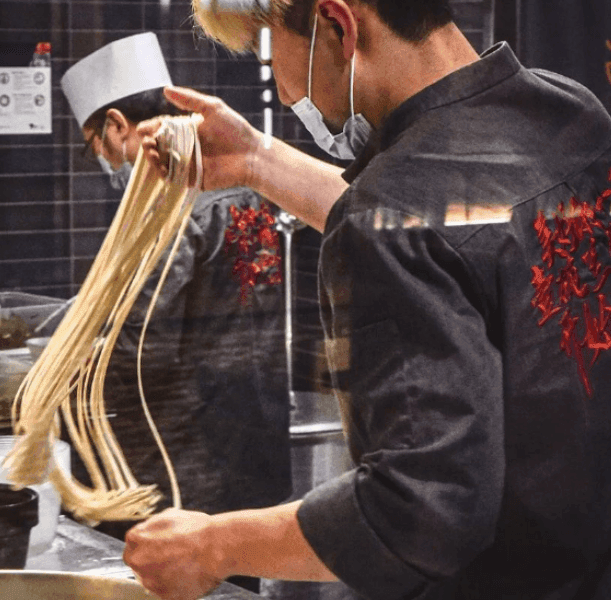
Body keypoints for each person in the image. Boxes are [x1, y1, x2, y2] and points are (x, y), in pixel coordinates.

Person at [122, 1, 611, 599]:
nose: (282, 85)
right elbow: (445, 226)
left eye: (274, 50)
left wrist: (212, 546)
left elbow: (419, 514)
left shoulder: (393, 210)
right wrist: (255, 157)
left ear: (338, 25)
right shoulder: (569, 111)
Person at [60, 33, 293, 592]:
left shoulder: (167, 197)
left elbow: (140, 339)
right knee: (241, 582)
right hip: (252, 435)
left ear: (117, 125)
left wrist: (60, 386)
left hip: (179, 461)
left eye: (97, 141)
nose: (103, 158)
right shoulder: (242, 189)